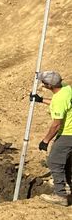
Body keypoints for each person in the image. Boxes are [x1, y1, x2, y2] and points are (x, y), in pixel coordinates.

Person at [37, 70, 72, 205]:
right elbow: (60, 103)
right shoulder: (66, 88)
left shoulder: (59, 99)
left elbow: (56, 124)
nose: (42, 84)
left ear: (49, 86)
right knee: (67, 161)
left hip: (67, 134)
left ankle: (61, 195)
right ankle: (68, 188)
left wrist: (45, 141)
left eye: (44, 83)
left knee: (54, 162)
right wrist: (40, 100)